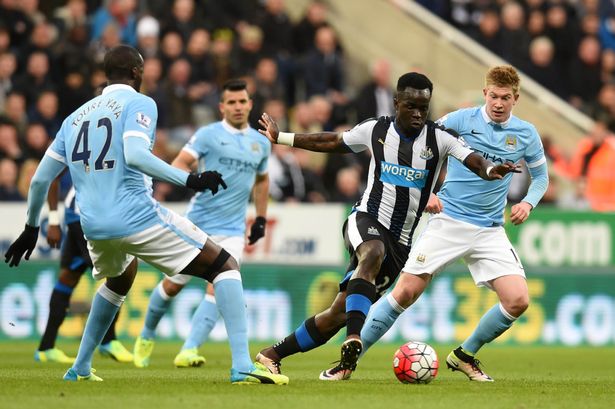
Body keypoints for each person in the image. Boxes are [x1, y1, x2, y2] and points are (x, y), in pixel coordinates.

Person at [4, 45, 288, 385]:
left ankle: (79, 367)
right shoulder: (140, 103)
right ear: (138, 72)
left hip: (92, 225)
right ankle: (242, 364)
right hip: (135, 215)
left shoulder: (74, 118)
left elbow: (39, 180)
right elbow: (136, 155)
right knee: (225, 265)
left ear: (106, 75)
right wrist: (190, 179)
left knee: (120, 279)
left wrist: (32, 226)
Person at [255, 72, 519, 380]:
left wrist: (491, 169)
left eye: (424, 106)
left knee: (337, 313)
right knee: (372, 252)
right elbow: (333, 140)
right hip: (366, 218)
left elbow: (473, 159)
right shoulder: (375, 129)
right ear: (396, 103)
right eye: (411, 106)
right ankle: (354, 339)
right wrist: (282, 137)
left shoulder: (440, 138)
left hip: (401, 243)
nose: (418, 113)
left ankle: (271, 355)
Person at [360, 65, 549, 382]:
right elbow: (420, 148)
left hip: (490, 229)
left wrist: (528, 202)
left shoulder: (526, 134)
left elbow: (541, 177)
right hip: (448, 220)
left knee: (518, 300)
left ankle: (464, 355)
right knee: (406, 292)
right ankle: (352, 355)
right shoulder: (460, 120)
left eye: (505, 97)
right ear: (484, 93)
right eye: (493, 96)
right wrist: (428, 191)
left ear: (516, 98)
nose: (498, 103)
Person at [133, 78, 271, 368]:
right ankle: (145, 335)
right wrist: (194, 181)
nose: (237, 107)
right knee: (172, 286)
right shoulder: (208, 135)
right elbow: (179, 164)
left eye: (242, 101)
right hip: (198, 224)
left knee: (220, 283)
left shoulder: (261, 142)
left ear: (250, 104)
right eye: (231, 102)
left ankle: (189, 349)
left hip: (233, 229)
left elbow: (262, 180)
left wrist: (260, 218)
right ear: (221, 107)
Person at [35, 178, 132, 364]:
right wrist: (53, 220)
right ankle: (109, 341)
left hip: (81, 213)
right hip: (88, 215)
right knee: (118, 275)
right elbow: (51, 175)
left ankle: (46, 347)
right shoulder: (77, 147)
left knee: (68, 277)